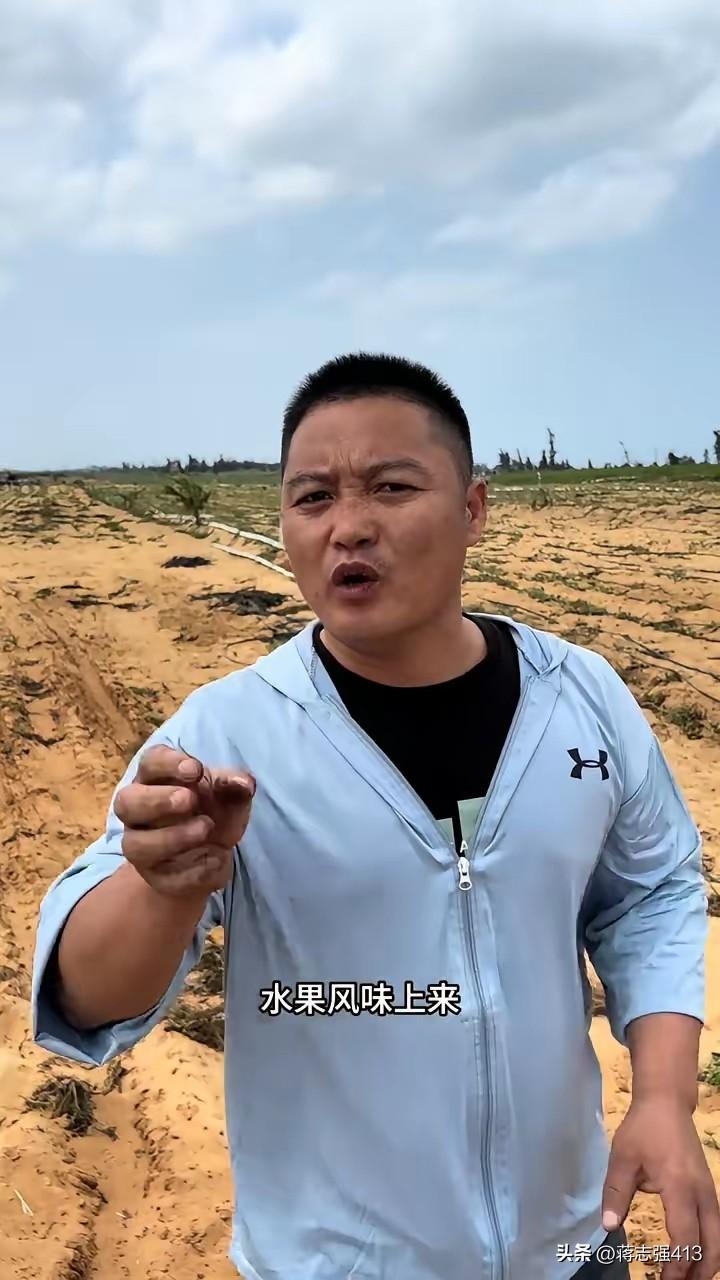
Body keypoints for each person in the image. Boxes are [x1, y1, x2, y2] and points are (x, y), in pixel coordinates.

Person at [31, 353, 720, 1280]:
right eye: (312, 498)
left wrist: (666, 1097)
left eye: (392, 487)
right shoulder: (228, 735)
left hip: (570, 1242)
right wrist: (161, 888)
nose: (348, 526)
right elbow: (85, 997)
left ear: (473, 509)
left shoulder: (581, 697)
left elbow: (650, 890)